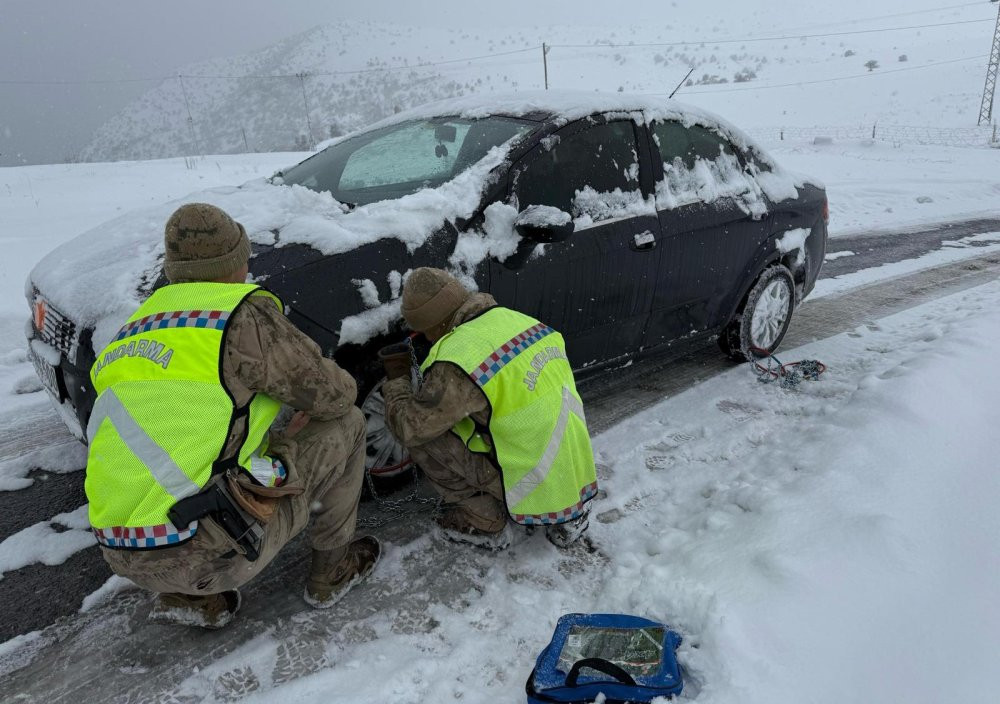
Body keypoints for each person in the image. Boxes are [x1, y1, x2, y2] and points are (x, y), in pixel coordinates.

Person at [84, 203, 379, 629]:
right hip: (208, 550)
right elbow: (334, 396)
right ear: (237, 263)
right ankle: (330, 572)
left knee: (199, 457)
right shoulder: (241, 317)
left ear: (174, 270)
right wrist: (291, 428)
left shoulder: (133, 329)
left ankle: (193, 597)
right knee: (347, 423)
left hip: (121, 551)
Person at [379, 268, 598, 551]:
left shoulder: (458, 361)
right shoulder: (518, 320)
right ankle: (568, 513)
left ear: (433, 325)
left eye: (424, 332)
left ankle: (483, 518)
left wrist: (397, 381)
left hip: (527, 477)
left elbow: (409, 427)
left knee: (424, 436)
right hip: (572, 466)